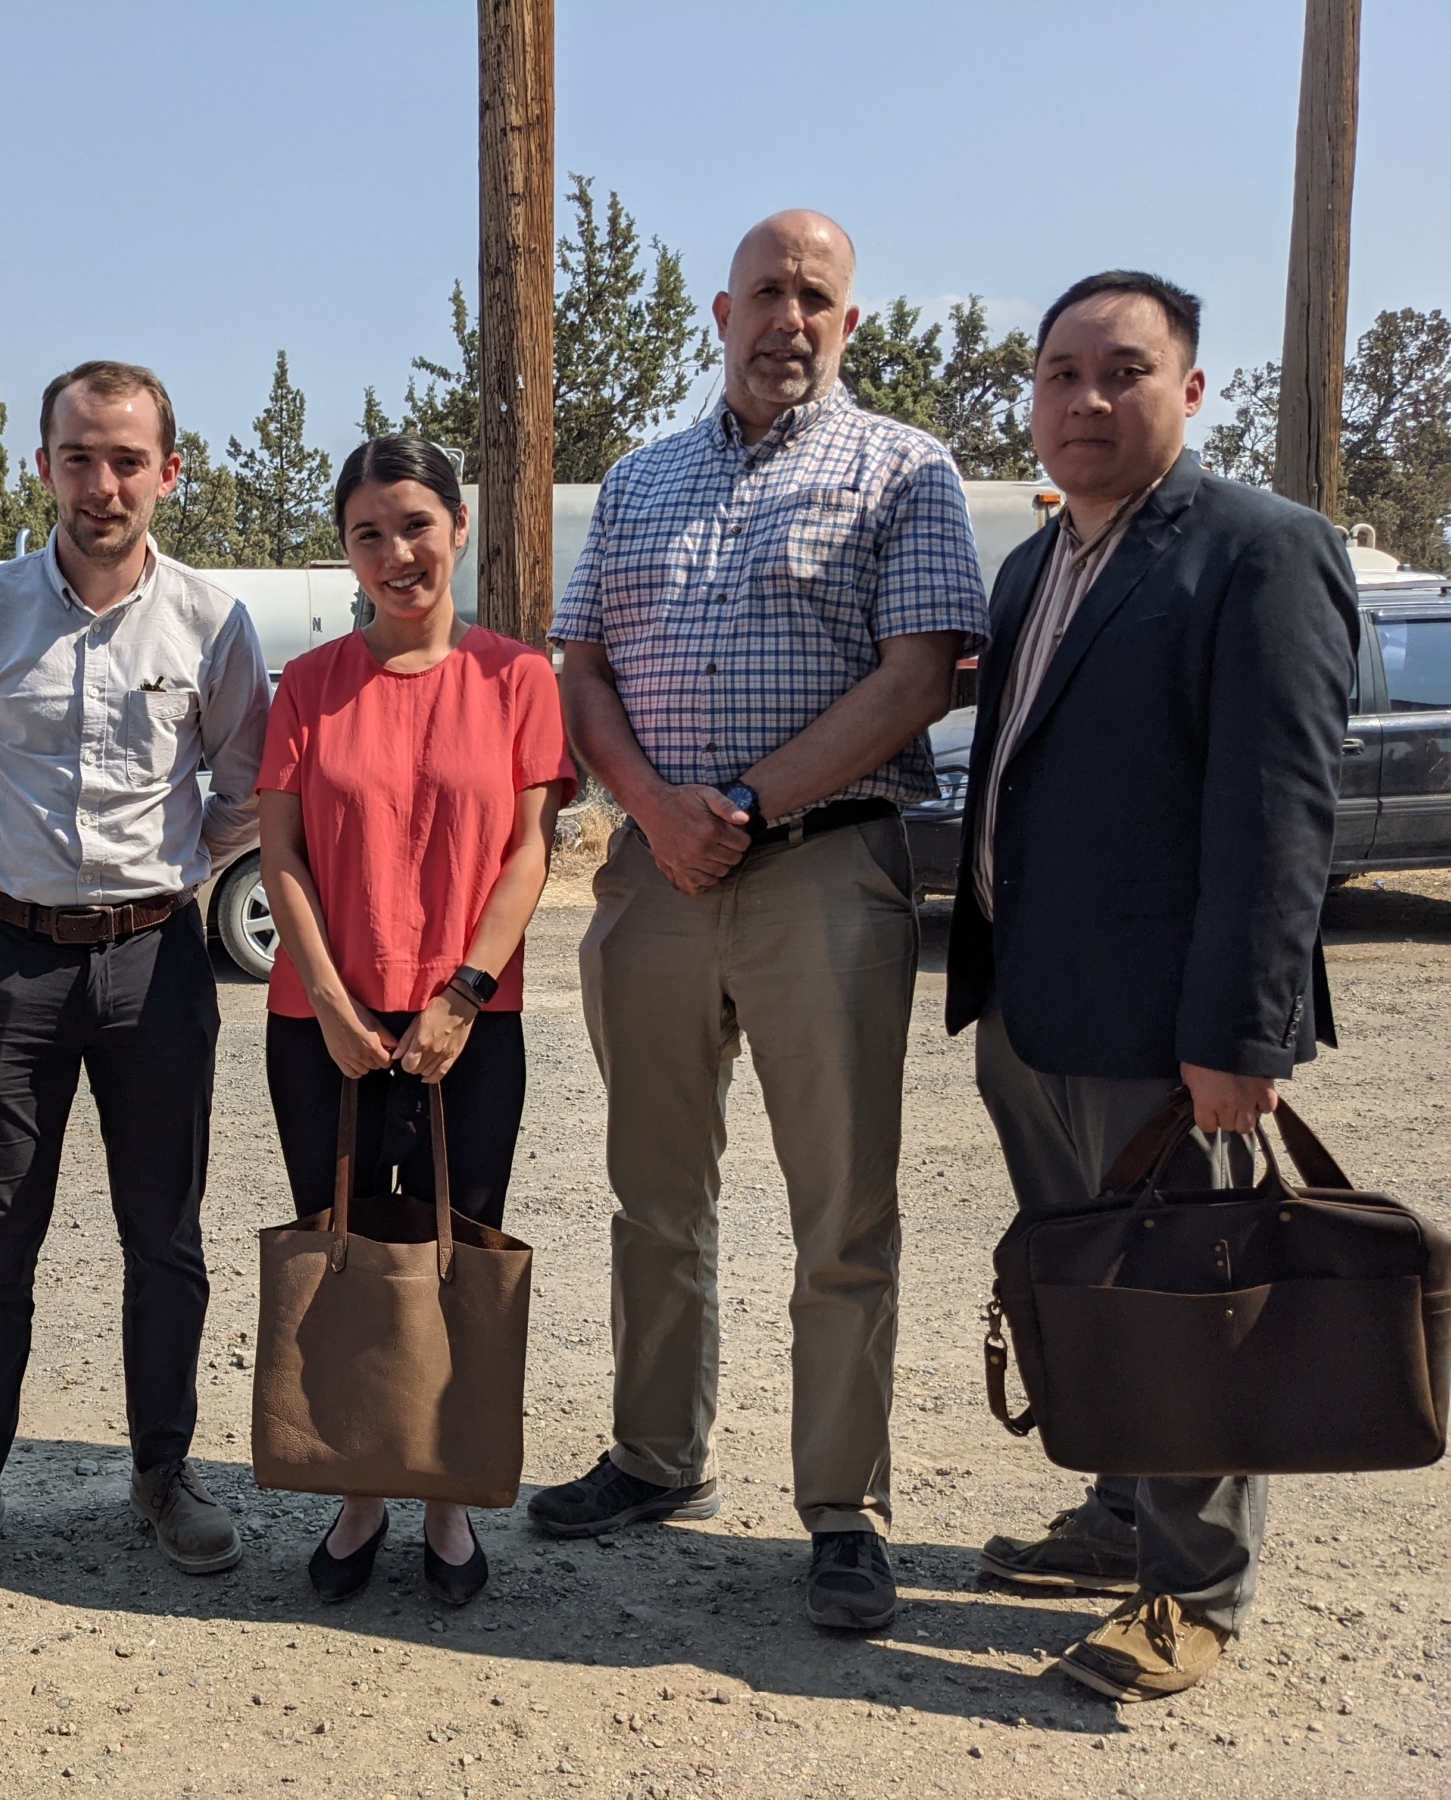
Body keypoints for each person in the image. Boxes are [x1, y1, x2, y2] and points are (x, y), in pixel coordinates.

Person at [537, 210, 990, 1632]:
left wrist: (730, 799)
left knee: (842, 1207)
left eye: (818, 297)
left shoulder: (903, 469)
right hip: (655, 877)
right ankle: (656, 1455)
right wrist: (655, 812)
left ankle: (842, 1507)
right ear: (717, 316)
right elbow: (584, 670)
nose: (789, 318)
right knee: (653, 1192)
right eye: (766, 294)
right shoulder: (641, 480)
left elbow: (921, 677)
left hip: (821, 874)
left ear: (849, 324)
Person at [946, 272, 1357, 1701]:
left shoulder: (1261, 552)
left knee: (1194, 1299)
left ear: (1190, 391)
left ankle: (1195, 1594)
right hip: (1039, 1011)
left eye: (1123, 372)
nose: (1085, 400)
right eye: (1060, 374)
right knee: (1095, 1287)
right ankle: (1121, 1512)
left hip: (1172, 1037)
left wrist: (1241, 1037)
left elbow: (1280, 814)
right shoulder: (1036, 563)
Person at [0, 360, 270, 1596]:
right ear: (45, 464)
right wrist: (18, 883)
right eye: (80, 456)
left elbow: (243, 787)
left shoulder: (213, 625)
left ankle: (164, 1473)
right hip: (10, 965)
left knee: (162, 1232)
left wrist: (161, 874)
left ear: (170, 471)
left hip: (158, 960)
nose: (103, 483)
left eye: (128, 460)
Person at [257, 436, 573, 1608]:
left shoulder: (516, 679)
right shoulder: (309, 684)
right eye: (368, 534)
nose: (396, 554)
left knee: (455, 1253)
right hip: (322, 1023)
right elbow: (280, 856)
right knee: (348, 1250)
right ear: (346, 550)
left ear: (459, 530)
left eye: (416, 526)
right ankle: (357, 1487)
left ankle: (445, 1492)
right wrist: (335, 1003)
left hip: (468, 1020)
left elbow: (529, 850)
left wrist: (464, 996)